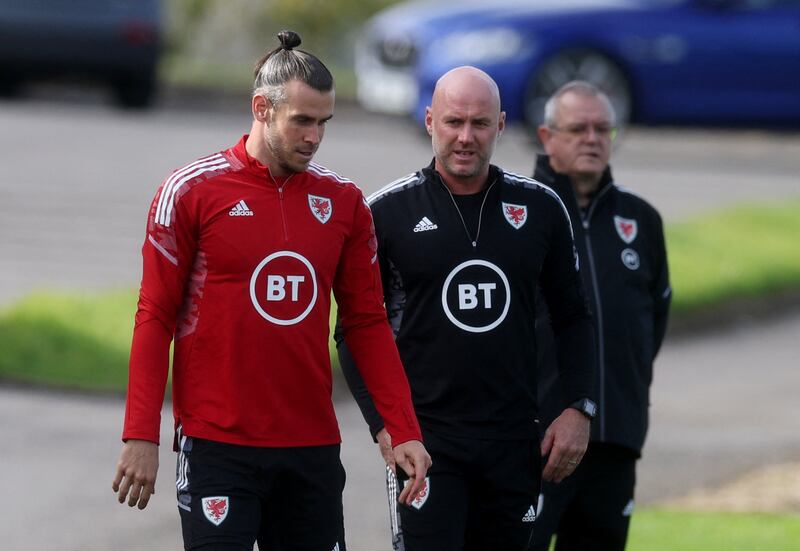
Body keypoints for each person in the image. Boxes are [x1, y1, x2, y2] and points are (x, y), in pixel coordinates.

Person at [111, 30, 431, 551]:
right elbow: (154, 315)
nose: (314, 136)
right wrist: (141, 433)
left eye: (323, 122)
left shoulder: (344, 203)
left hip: (312, 448)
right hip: (217, 445)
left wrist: (403, 426)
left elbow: (367, 323)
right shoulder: (191, 191)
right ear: (261, 107)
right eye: (301, 121)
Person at [336, 66, 597, 551]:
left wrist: (580, 408)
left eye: (479, 124)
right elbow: (353, 332)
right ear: (430, 120)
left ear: (500, 125)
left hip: (516, 440)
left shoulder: (539, 207)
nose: (465, 137)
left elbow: (574, 317)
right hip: (426, 443)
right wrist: (384, 425)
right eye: (454, 122)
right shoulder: (385, 214)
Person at [530, 81, 671, 551]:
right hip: (535, 439)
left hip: (614, 436)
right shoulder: (521, 212)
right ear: (548, 137)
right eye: (577, 128)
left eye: (602, 128)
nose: (592, 138)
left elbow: (653, 320)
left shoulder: (641, 219)